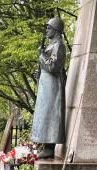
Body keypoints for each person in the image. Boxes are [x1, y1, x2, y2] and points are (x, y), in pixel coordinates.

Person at [31, 16, 66, 158]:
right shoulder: (51, 45)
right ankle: (45, 146)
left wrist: (41, 55)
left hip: (52, 87)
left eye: (49, 27)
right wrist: (39, 73)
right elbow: (47, 66)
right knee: (44, 114)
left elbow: (53, 66)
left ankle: (49, 147)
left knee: (50, 114)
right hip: (46, 85)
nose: (46, 30)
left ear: (56, 30)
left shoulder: (59, 45)